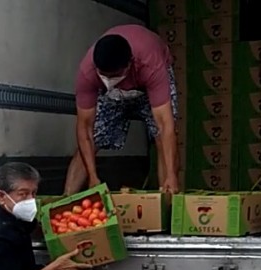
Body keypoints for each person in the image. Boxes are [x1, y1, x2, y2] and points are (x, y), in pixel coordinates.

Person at [65, 24, 179, 195]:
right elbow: (85, 128)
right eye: (104, 75)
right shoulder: (88, 72)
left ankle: (168, 202)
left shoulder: (151, 64)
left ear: (129, 65)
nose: (108, 79)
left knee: (161, 139)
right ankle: (66, 199)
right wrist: (93, 176)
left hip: (148, 85)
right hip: (113, 95)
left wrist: (172, 174)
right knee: (95, 136)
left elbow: (165, 124)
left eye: (114, 76)